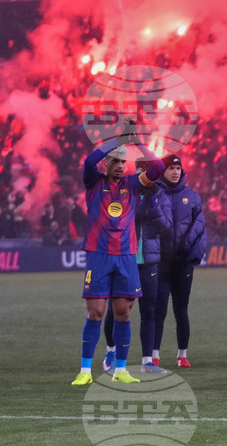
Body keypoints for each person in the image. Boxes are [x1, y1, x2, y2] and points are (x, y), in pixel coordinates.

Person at [72, 134, 165, 386]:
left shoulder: (132, 184)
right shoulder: (94, 182)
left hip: (126, 256)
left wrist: (135, 141)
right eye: (115, 161)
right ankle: (85, 370)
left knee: (123, 311)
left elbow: (158, 167)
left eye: (123, 163)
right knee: (96, 312)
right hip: (99, 255)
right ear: (107, 163)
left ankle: (121, 369)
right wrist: (115, 142)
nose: (120, 166)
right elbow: (88, 163)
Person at [100, 156, 172, 374]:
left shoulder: (159, 195)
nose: (145, 176)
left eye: (148, 171)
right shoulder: (124, 192)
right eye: (142, 170)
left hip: (148, 259)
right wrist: (142, 203)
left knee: (149, 310)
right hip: (124, 258)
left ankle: (147, 361)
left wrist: (151, 203)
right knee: (116, 309)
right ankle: (111, 350)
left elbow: (165, 227)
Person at [153, 154, 206, 368]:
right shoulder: (154, 194)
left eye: (178, 168)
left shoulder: (192, 196)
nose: (175, 172)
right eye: (171, 168)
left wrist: (192, 255)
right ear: (163, 171)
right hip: (160, 262)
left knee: (181, 310)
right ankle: (153, 356)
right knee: (159, 310)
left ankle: (182, 355)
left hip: (183, 263)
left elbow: (200, 227)